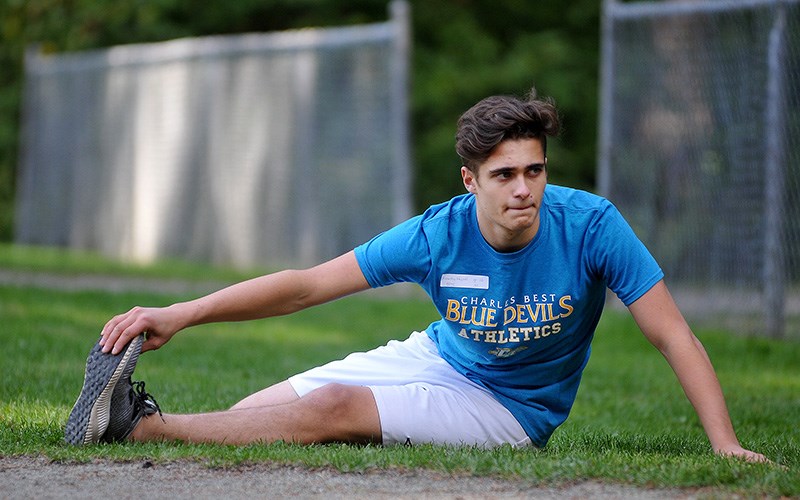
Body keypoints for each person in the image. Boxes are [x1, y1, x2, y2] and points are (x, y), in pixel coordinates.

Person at [65, 88, 766, 461]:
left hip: (512, 410)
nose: (524, 188)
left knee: (331, 408)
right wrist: (180, 313)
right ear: (471, 180)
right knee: (253, 421)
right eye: (505, 175)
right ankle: (130, 419)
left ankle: (140, 428)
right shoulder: (438, 234)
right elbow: (308, 284)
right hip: (440, 357)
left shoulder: (590, 226)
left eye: (535, 170)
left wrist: (725, 446)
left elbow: (674, 335)